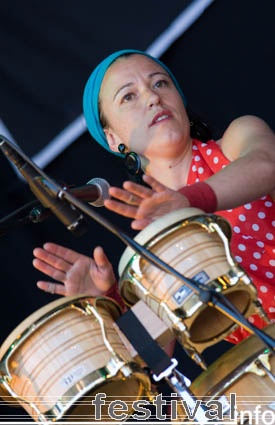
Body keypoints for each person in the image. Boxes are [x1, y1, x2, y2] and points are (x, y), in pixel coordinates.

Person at [33, 49, 275, 344]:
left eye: (160, 83)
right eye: (128, 96)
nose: (152, 97)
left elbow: (266, 164)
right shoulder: (152, 249)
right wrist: (106, 301)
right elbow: (153, 352)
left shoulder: (237, 139)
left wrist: (188, 200)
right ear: (112, 138)